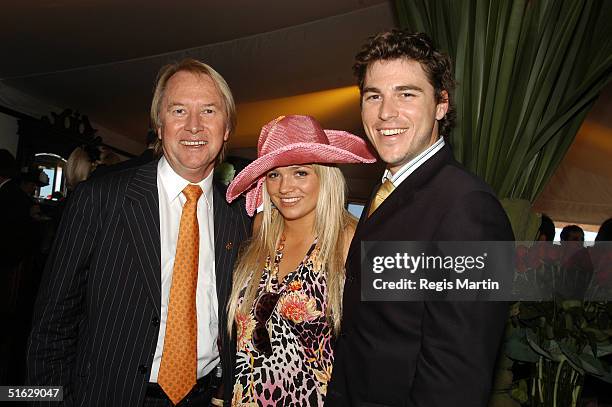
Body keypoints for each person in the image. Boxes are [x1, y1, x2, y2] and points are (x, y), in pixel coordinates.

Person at [27, 59, 251, 406]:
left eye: (209, 110)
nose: (194, 126)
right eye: (179, 110)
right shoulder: (100, 199)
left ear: (226, 128)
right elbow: (52, 324)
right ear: (159, 126)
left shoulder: (239, 215)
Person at [326, 30, 514, 407]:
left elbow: (456, 378)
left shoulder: (471, 209)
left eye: (406, 94)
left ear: (441, 104)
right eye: (373, 96)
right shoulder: (387, 190)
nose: (385, 112)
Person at [225, 115, 375, 405]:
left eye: (300, 173)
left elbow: (377, 342)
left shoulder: (347, 240)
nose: (284, 187)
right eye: (274, 174)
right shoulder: (261, 232)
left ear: (325, 176)